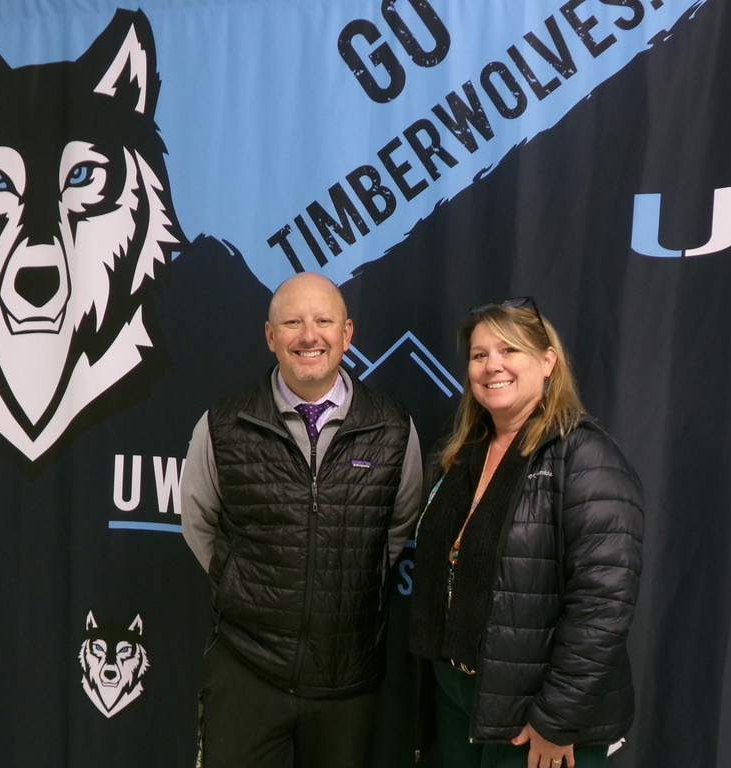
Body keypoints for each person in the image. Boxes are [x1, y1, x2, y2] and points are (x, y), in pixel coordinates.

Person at [180, 271, 423, 768]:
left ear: (346, 334)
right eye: (292, 322)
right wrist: (247, 586)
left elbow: (398, 527)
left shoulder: (393, 426)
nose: (309, 336)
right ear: (271, 337)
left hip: (347, 675)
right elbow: (199, 522)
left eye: (323, 321)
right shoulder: (224, 423)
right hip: (246, 666)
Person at [409, 297, 643, 768]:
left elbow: (603, 603)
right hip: (457, 694)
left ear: (547, 361)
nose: (492, 365)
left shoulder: (585, 456)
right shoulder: (459, 455)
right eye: (479, 355)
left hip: (535, 710)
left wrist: (557, 718)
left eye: (509, 350)